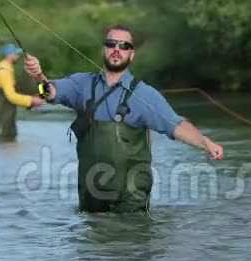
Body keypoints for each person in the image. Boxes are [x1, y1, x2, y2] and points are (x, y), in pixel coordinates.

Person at [24, 24, 224, 214]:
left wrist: (204, 142)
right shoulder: (81, 85)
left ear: (132, 53)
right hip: (91, 200)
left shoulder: (145, 94)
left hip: (130, 205)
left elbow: (176, 125)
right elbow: (46, 94)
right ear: (104, 49)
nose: (116, 49)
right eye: (111, 44)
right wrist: (39, 77)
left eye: (124, 46)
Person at [0, 43, 43, 139]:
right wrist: (32, 101)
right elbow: (11, 97)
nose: (18, 56)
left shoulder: (3, 70)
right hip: (1, 128)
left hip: (0, 125)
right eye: (15, 54)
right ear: (9, 55)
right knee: (9, 152)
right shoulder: (4, 72)